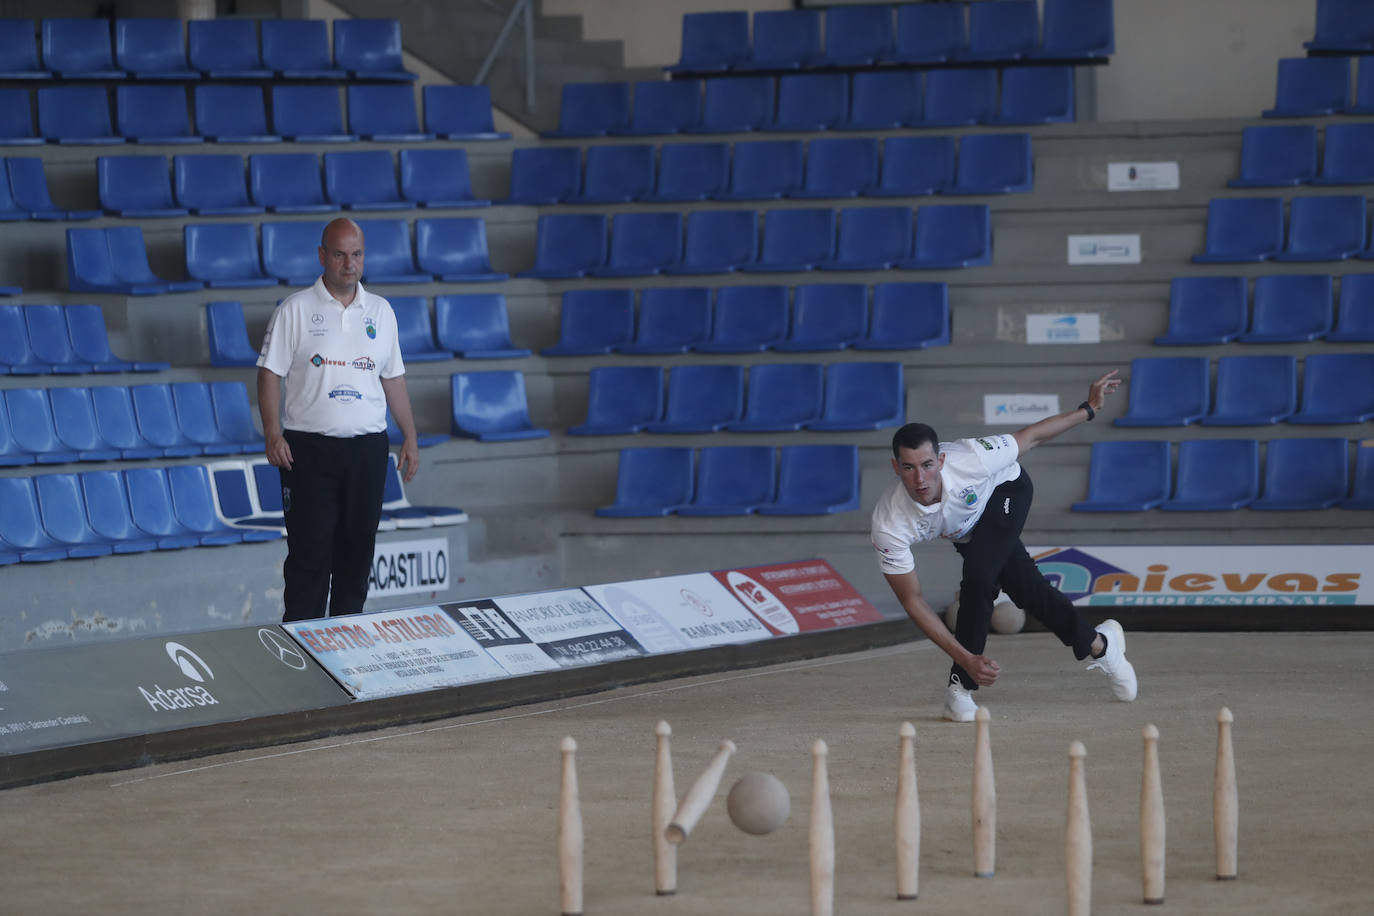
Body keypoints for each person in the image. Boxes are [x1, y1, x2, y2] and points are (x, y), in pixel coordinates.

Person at [871, 370, 1137, 722]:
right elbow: (912, 601)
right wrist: (967, 656)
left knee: (980, 577)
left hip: (1006, 492)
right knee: (1028, 590)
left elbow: (1031, 437)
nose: (920, 479)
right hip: (970, 532)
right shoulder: (889, 522)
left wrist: (1087, 408)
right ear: (895, 467)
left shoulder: (970, 458)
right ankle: (1101, 646)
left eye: (927, 465)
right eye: (908, 468)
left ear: (942, 461)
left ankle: (959, 689)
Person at [256, 217, 421, 622]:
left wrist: (411, 436)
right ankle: (300, 658)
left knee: (357, 554)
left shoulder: (381, 312)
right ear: (322, 256)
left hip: (367, 449)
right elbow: (268, 374)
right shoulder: (294, 310)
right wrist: (273, 433)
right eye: (340, 254)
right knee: (310, 559)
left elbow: (393, 377)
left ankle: (348, 658)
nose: (350, 264)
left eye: (357, 254)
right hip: (308, 451)